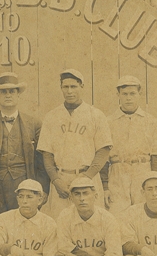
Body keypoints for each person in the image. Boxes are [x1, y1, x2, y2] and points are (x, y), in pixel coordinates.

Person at [0, 72, 49, 220]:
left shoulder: (34, 124)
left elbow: (41, 162)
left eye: (12, 91)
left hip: (24, 184)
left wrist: (43, 189)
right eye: (3, 92)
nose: (8, 95)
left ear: (18, 95)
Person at [37, 69, 113, 218]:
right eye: (66, 87)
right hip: (61, 179)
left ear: (82, 86)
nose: (69, 91)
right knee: (61, 223)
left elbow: (103, 151)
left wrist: (87, 176)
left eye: (74, 86)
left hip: (87, 177)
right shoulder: (52, 116)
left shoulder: (95, 114)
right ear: (61, 88)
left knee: (92, 223)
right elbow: (47, 154)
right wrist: (56, 179)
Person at [101, 75, 157, 216]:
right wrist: (105, 186)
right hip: (118, 174)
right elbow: (104, 158)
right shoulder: (108, 122)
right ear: (118, 95)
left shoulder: (151, 121)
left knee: (143, 215)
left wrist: (155, 183)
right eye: (124, 94)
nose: (128, 98)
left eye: (132, 94)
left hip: (142, 172)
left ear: (139, 94)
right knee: (117, 215)